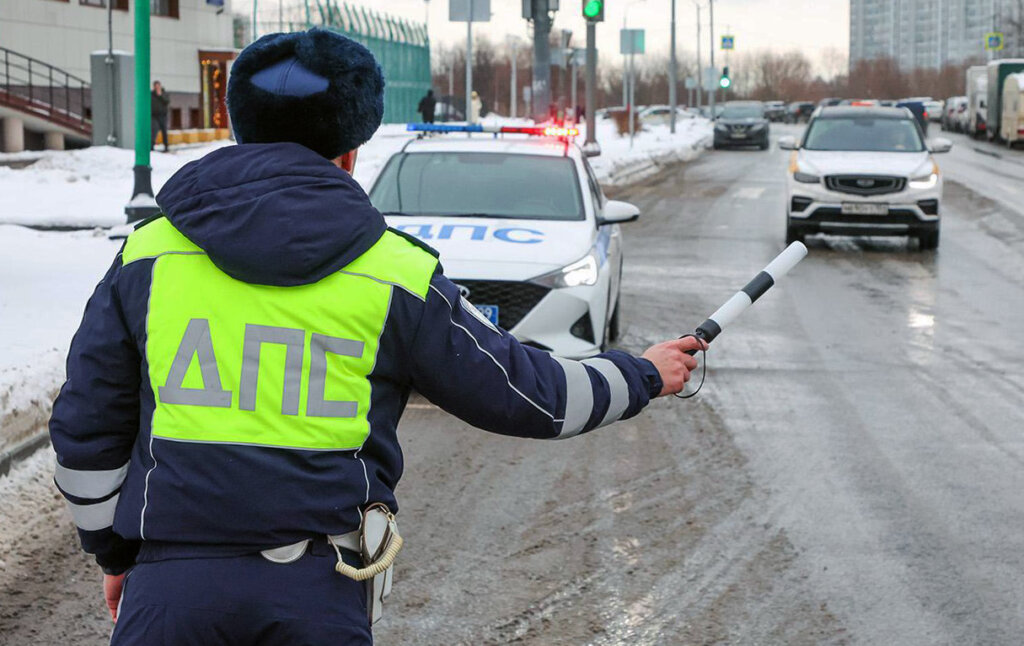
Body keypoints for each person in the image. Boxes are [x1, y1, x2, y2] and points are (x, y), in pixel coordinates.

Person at [49, 28, 705, 646]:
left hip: (170, 591)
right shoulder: (395, 275)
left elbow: (85, 429)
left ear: (240, 126)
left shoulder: (148, 256)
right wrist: (644, 373)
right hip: (315, 595)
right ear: (353, 151)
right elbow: (531, 395)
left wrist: (118, 552)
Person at [150, 80, 170, 152]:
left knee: (164, 131)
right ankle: (151, 146)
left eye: (158, 86)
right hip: (154, 116)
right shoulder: (151, 94)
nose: (157, 87)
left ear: (160, 86)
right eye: (155, 86)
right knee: (154, 130)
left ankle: (166, 146)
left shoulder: (164, 93)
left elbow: (167, 102)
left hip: (163, 116)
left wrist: (160, 95)